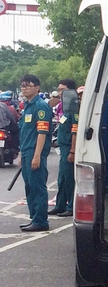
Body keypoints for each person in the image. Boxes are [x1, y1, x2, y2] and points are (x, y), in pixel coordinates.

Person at [17, 74, 54, 232]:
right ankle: (34, 218)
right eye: (23, 86)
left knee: (38, 186)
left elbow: (42, 132)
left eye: (28, 85)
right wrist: (21, 154)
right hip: (26, 151)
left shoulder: (40, 106)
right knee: (30, 187)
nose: (24, 88)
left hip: (34, 151)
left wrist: (37, 155)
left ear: (37, 87)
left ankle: (40, 220)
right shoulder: (27, 106)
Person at [47, 79, 78, 218]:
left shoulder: (73, 108)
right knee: (62, 179)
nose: (59, 93)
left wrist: (72, 150)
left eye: (62, 90)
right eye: (58, 90)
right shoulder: (64, 107)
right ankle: (60, 205)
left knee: (69, 178)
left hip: (68, 148)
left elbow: (75, 131)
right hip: (62, 146)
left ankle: (71, 206)